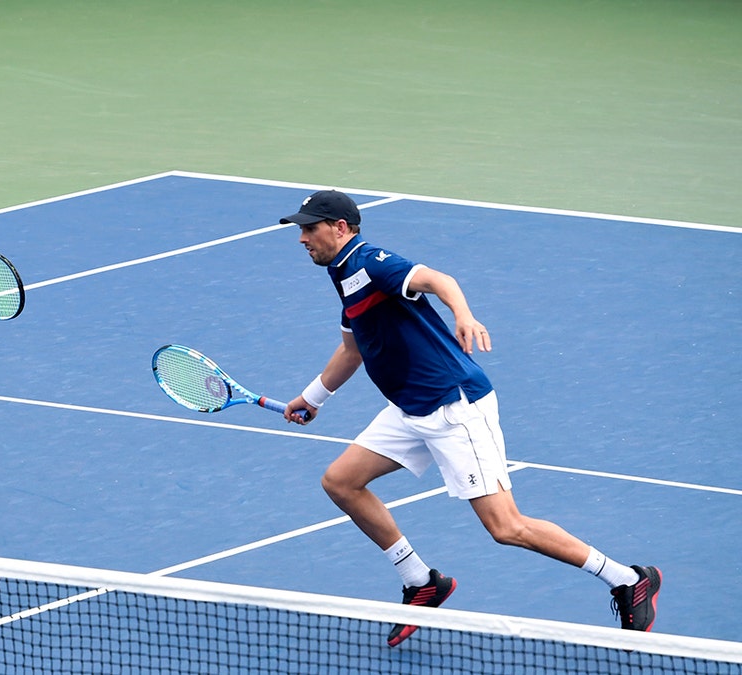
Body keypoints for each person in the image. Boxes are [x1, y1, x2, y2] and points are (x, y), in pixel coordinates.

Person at [278, 189, 660, 645]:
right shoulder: (343, 277)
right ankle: (422, 582)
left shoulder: (372, 261)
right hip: (410, 408)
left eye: (309, 227)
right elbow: (352, 349)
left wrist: (463, 314)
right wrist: (313, 397)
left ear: (340, 227)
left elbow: (439, 279)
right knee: (341, 481)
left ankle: (628, 578)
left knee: (507, 527)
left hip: (453, 407)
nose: (302, 237)